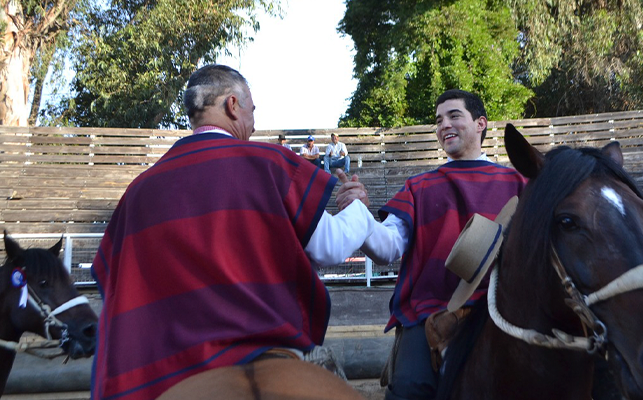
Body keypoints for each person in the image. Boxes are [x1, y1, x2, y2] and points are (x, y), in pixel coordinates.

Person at [90, 64, 377, 400]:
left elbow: (114, 289)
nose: (254, 125)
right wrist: (358, 206)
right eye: (252, 111)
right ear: (232, 105)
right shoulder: (267, 162)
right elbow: (330, 247)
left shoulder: (137, 191)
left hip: (163, 374)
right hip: (265, 351)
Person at [340, 89, 526, 400]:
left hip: (503, 312)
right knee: (409, 390)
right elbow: (386, 249)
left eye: (454, 116)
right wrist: (359, 214)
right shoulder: (419, 186)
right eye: (439, 120)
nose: (444, 125)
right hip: (428, 313)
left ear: (481, 123)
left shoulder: (519, 183)